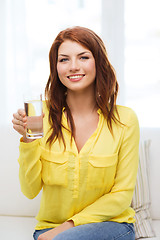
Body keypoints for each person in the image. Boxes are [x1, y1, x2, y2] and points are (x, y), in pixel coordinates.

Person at [12, 26, 139, 240]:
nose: (73, 67)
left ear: (98, 63)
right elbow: (30, 190)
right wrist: (27, 140)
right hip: (49, 230)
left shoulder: (125, 120)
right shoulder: (40, 116)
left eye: (83, 57)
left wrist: (67, 228)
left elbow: (121, 196)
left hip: (109, 225)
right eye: (64, 60)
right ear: (56, 67)